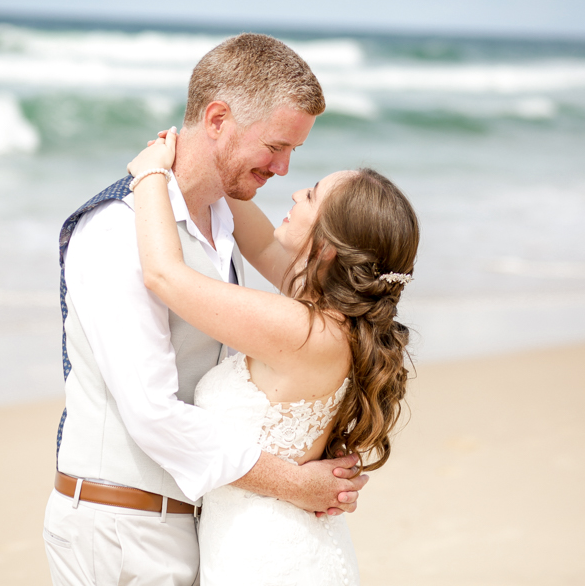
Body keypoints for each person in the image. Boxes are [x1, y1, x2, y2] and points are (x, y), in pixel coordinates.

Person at [43, 34, 368, 586]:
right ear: (217, 118)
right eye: (276, 146)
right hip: (122, 532)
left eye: (296, 152)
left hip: (197, 528)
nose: (285, 170)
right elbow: (152, 412)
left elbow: (306, 273)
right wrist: (293, 481)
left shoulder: (226, 220)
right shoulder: (121, 232)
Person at [126, 126, 419, 585]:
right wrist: (211, 148)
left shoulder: (304, 331)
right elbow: (260, 243)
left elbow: (165, 277)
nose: (298, 191)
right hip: (271, 546)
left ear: (326, 247)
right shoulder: (333, 317)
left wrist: (149, 175)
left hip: (269, 558)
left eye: (313, 195)